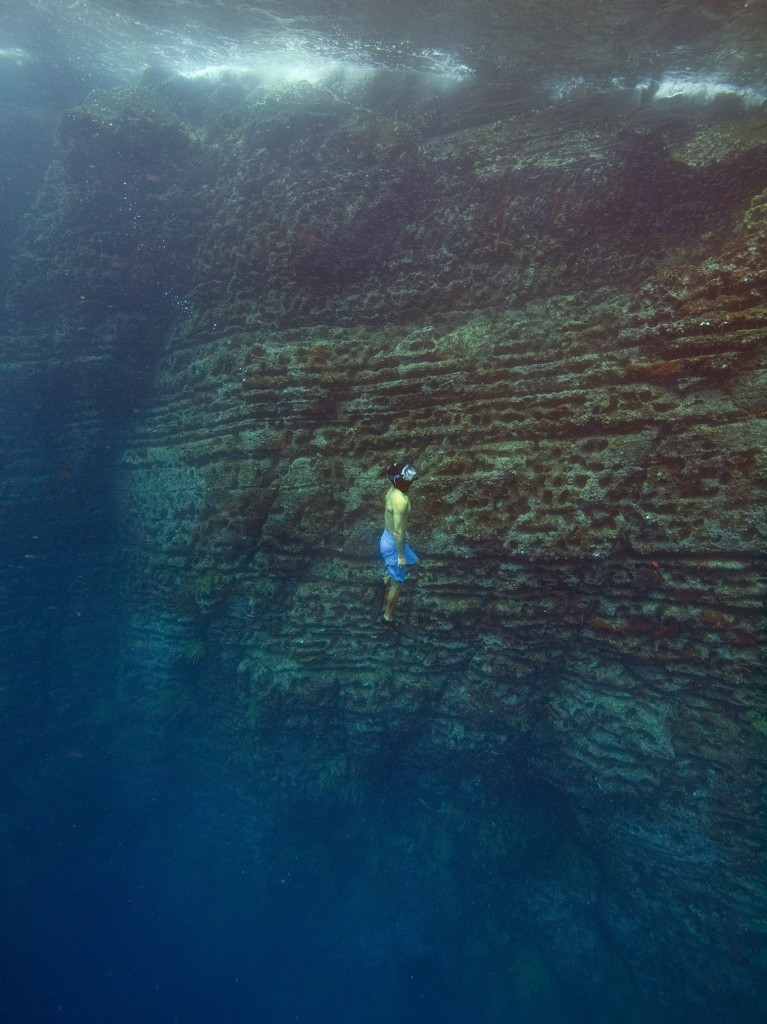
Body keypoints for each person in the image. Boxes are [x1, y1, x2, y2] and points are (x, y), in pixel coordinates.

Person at [379, 461, 419, 624]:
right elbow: (398, 532)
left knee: (415, 562)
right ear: (399, 480)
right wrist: (401, 556)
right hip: (393, 545)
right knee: (398, 585)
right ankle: (387, 617)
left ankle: (387, 577)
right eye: (407, 478)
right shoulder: (400, 501)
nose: (410, 481)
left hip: (391, 539)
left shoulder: (393, 490)